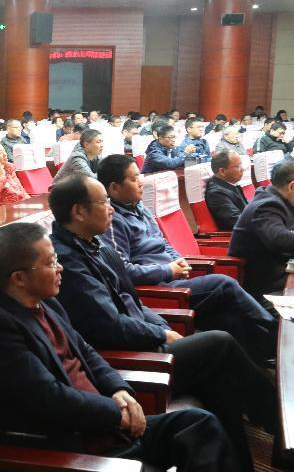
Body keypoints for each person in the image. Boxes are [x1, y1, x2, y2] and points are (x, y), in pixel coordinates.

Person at [48, 175, 278, 471]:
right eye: (104, 202)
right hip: (129, 356)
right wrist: (159, 334)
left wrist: (162, 328)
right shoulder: (67, 261)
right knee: (219, 342)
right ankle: (277, 419)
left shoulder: (97, 245)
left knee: (222, 352)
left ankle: (244, 460)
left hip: (144, 338)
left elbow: (133, 300)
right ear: (79, 211)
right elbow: (110, 326)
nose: (111, 208)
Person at [0, 222, 239, 470]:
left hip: (106, 425)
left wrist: (118, 389)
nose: (61, 268)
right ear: (18, 278)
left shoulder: (42, 298)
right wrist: (115, 413)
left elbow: (85, 350)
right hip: (76, 447)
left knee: (199, 425)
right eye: (51, 263)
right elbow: (49, 398)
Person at [98, 154, 276, 364]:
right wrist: (168, 270)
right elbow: (123, 271)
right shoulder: (112, 221)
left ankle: (256, 360)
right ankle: (275, 329)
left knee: (229, 319)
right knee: (224, 283)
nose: (141, 182)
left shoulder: (140, 208)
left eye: (140, 176)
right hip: (158, 289)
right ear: (114, 188)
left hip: (173, 278)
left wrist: (179, 260)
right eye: (134, 178)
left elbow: (163, 243)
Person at [229, 159, 294, 300]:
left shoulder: (278, 199)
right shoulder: (267, 205)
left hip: (279, 273)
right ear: (292, 187)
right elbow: (280, 239)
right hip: (265, 288)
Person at [206, 150, 249, 230]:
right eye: (237, 166)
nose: (242, 169)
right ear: (222, 171)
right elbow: (237, 221)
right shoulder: (216, 194)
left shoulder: (229, 185)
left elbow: (247, 209)